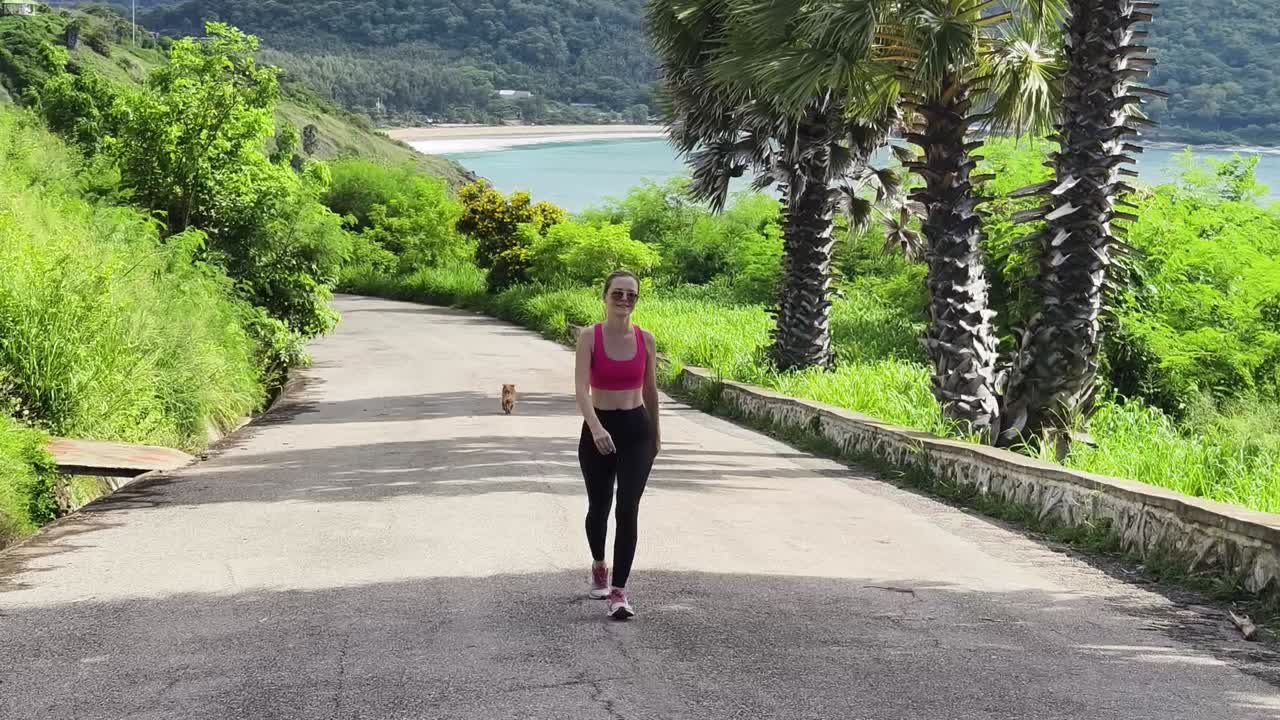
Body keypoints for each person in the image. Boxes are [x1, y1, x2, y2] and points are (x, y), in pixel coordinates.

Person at [574, 270, 660, 620]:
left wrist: (656, 434)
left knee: (627, 509)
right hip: (599, 427)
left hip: (636, 429)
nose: (624, 299)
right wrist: (595, 428)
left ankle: (620, 592)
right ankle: (599, 565)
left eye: (631, 295)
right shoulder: (589, 337)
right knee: (599, 507)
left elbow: (652, 390)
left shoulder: (646, 339)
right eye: (618, 293)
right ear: (605, 296)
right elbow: (581, 390)